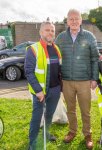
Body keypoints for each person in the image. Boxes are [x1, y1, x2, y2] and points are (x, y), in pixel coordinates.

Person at [55, 9, 99, 149]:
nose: (74, 21)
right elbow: (56, 58)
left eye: (76, 18)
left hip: (84, 80)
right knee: (70, 109)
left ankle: (87, 135)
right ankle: (72, 131)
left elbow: (95, 58)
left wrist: (94, 78)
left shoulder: (89, 36)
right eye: (71, 19)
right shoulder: (61, 37)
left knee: (85, 110)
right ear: (67, 21)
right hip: (67, 81)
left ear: (81, 20)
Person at [24, 21, 62, 149]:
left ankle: (46, 133)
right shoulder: (33, 49)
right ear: (40, 32)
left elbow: (58, 70)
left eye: (52, 30)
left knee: (49, 115)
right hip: (40, 92)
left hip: (55, 90)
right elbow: (28, 72)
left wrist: (60, 87)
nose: (50, 32)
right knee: (36, 118)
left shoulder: (56, 49)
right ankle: (33, 143)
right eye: (47, 30)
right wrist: (38, 90)